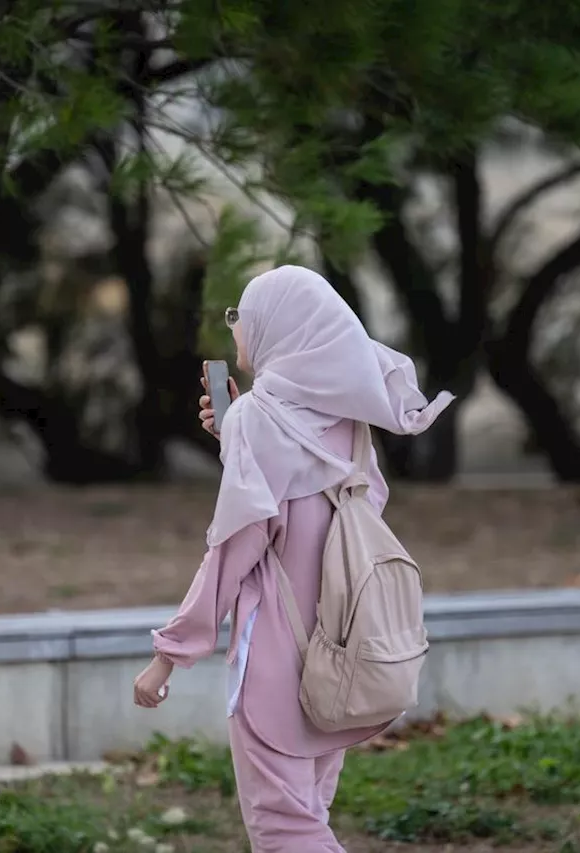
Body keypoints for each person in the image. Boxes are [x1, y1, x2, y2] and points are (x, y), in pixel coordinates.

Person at [131, 265, 454, 852]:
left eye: (241, 317)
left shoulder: (260, 419)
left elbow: (233, 549)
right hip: (345, 649)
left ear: (276, 327)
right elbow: (355, 506)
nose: (236, 328)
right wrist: (235, 440)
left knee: (283, 831)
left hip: (278, 666)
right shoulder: (348, 419)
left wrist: (168, 655)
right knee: (310, 816)